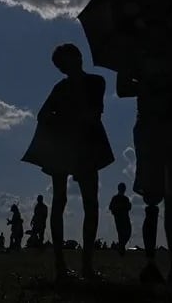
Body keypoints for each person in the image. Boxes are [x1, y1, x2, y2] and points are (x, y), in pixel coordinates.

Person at [116, 30, 172, 290]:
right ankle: (152, 262)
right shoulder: (134, 48)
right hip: (151, 126)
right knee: (153, 199)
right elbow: (122, 88)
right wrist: (152, 84)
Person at [22, 43, 114, 281]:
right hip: (70, 147)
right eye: (70, 59)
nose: (75, 61)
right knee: (65, 201)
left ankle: (83, 266)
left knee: (85, 203)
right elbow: (44, 115)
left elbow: (92, 114)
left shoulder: (93, 82)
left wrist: (63, 119)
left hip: (83, 145)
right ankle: (64, 266)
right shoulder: (66, 87)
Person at [109, 183, 132, 256]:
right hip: (119, 219)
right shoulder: (115, 198)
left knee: (127, 233)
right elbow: (111, 207)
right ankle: (121, 249)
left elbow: (128, 207)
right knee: (122, 234)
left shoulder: (125, 198)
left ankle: (120, 247)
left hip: (125, 218)